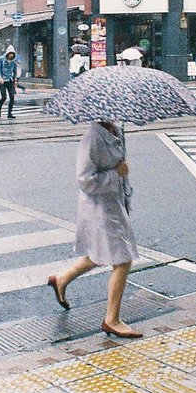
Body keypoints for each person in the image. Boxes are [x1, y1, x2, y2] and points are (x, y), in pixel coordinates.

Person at [47, 120, 141, 338]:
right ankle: (112, 320)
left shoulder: (115, 129)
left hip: (113, 203)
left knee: (98, 253)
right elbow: (85, 180)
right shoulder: (92, 137)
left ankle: (61, 279)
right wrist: (116, 173)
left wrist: (121, 173)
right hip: (99, 208)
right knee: (122, 259)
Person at [0, 45, 20, 118]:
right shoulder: (1, 59)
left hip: (10, 80)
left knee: (12, 97)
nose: (11, 55)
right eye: (10, 53)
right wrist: (0, 77)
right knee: (4, 97)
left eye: (12, 54)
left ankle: (9, 113)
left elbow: (15, 71)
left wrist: (15, 79)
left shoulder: (14, 61)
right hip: (3, 80)